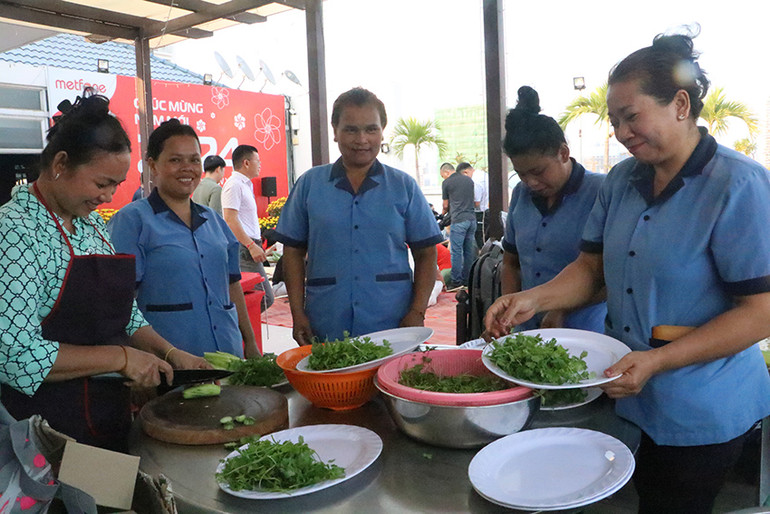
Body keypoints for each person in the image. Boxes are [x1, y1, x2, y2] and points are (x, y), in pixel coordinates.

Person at [485, 32, 770, 514]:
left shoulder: (737, 183)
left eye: (631, 116)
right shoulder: (622, 180)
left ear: (680, 105)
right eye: (614, 120)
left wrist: (658, 361)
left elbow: (761, 312)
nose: (621, 131)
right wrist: (532, 299)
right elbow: (591, 269)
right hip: (628, 392)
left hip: (702, 402)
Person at [0, 91, 207, 452]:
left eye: (116, 185)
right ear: (61, 163)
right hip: (45, 432)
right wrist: (121, 358)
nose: (109, 197)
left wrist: (170, 353)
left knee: (120, 486)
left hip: (106, 415)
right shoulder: (14, 230)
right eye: (102, 183)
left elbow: (125, 314)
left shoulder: (92, 226)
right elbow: (16, 356)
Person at [275, 87, 443, 345]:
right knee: (331, 372)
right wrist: (298, 313)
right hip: (327, 319)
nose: (362, 139)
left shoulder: (403, 186)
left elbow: (426, 253)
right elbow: (293, 252)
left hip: (391, 320)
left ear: (382, 130)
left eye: (371, 129)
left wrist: (417, 312)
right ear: (335, 131)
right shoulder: (309, 184)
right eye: (351, 129)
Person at [109, 120, 259, 359]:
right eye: (175, 160)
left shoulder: (214, 220)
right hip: (168, 364)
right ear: (153, 165)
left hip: (228, 355)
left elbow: (232, 284)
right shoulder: (132, 221)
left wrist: (249, 342)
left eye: (194, 160)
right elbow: (119, 303)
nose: (187, 168)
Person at [499, 86, 606, 333]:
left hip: (584, 328)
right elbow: (511, 263)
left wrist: (562, 309)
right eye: (521, 174)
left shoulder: (601, 191)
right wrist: (508, 311)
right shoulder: (520, 194)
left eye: (538, 171)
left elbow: (611, 274)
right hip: (528, 328)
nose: (531, 182)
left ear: (563, 153)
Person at [221, 144, 274, 311]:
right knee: (264, 297)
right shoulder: (234, 185)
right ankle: (237, 325)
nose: (260, 164)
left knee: (255, 297)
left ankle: (242, 325)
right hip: (244, 247)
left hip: (249, 245)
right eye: (258, 161)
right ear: (246, 163)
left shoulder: (245, 184)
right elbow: (230, 219)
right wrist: (251, 245)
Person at [442, 160, 476, 291]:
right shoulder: (469, 181)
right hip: (471, 220)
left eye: (443, 175)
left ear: (446, 172)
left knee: (456, 252)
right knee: (468, 251)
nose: (443, 178)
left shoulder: (447, 183)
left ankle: (456, 282)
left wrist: (443, 215)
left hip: (458, 221)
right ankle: (467, 281)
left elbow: (446, 205)